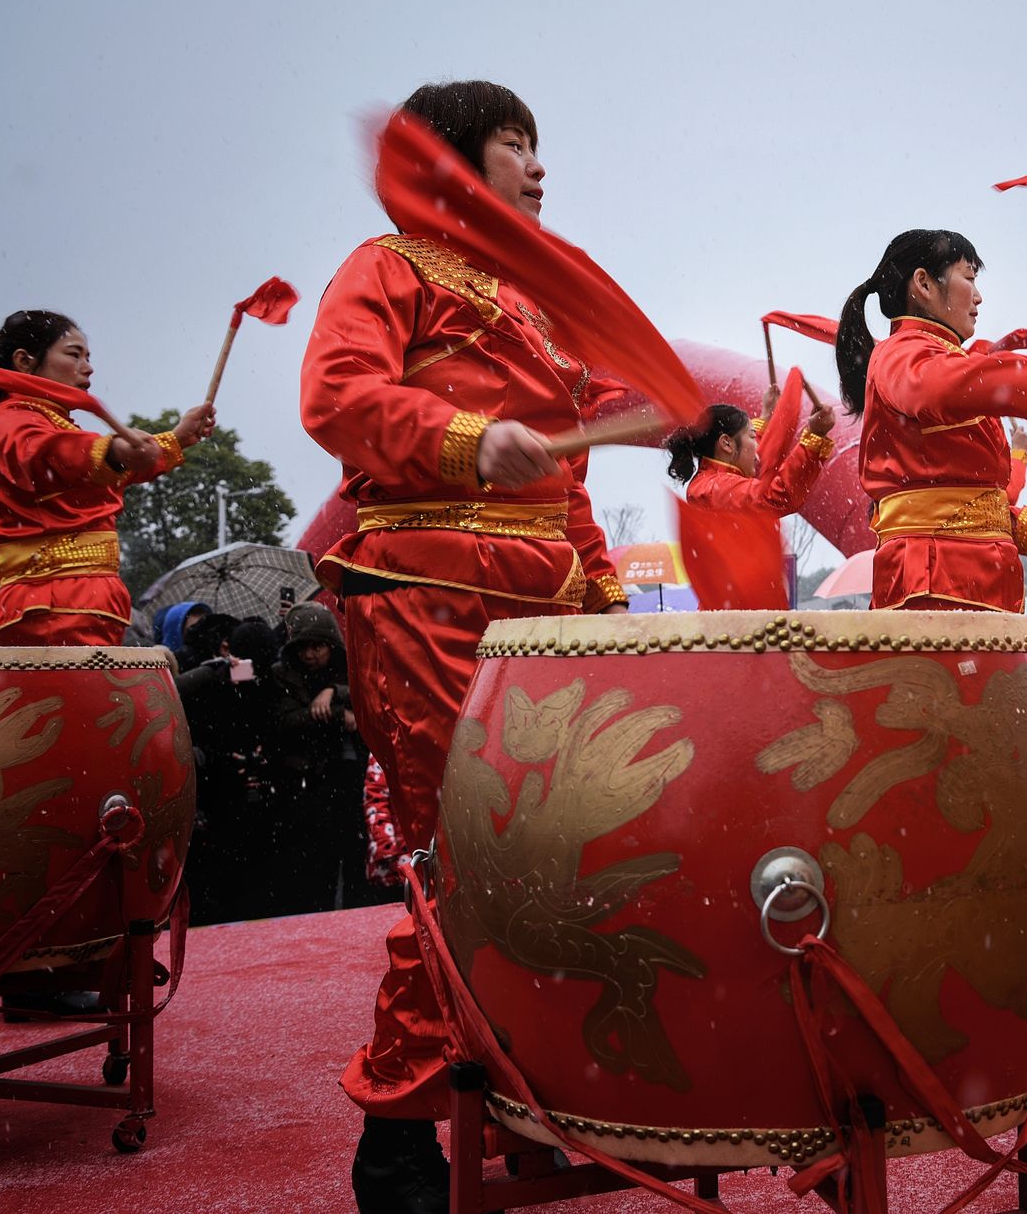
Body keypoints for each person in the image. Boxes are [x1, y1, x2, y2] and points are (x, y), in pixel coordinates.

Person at [300, 79, 631, 1212]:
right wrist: (457, 437)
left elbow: (569, 473)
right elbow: (338, 396)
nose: (538, 168)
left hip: (541, 609)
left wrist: (600, 595)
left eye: (542, 147)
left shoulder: (539, 300)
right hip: (427, 596)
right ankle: (397, 1125)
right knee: (468, 856)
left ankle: (530, 1085)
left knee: (559, 846)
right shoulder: (385, 265)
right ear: (447, 160)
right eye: (513, 145)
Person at [836, 228, 1027, 611]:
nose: (978, 295)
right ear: (923, 283)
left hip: (969, 573)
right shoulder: (902, 353)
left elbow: (966, 501)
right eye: (968, 278)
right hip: (934, 575)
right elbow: (939, 389)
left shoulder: (942, 361)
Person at [0, 311, 215, 646]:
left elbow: (97, 470)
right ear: (25, 361)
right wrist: (112, 450)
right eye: (73, 354)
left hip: (75, 598)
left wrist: (176, 439)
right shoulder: (10, 420)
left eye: (88, 356)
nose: (88, 366)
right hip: (53, 602)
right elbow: (50, 455)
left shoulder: (51, 422)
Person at [265, 602, 367, 916]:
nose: (311, 655)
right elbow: (288, 720)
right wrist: (337, 713)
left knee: (355, 854)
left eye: (318, 647)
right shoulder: (282, 675)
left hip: (350, 773)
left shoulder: (348, 669)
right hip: (307, 778)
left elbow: (367, 692)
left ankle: (356, 912)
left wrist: (334, 690)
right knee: (316, 863)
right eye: (304, 648)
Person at [666, 390, 836, 515]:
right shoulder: (713, 489)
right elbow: (775, 496)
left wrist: (767, 416)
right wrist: (814, 436)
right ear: (726, 443)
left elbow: (753, 457)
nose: (757, 448)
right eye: (752, 436)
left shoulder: (714, 483)